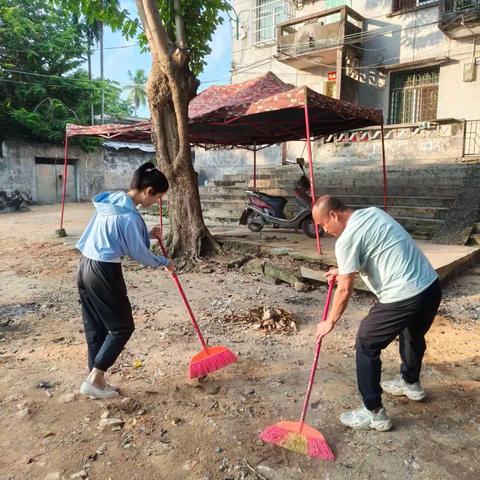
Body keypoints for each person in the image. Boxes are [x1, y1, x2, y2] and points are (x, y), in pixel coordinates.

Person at [312, 196, 441, 431]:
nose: (324, 231)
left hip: (403, 296)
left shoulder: (346, 239)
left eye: (322, 225)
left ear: (334, 215)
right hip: (430, 287)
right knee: (412, 333)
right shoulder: (373, 213)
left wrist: (329, 321)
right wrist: (342, 270)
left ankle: (373, 412)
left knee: (366, 342)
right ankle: (410, 383)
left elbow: (345, 288)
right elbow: (379, 248)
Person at [76, 162, 174, 399]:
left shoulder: (112, 201)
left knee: (96, 325)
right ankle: (95, 379)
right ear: (148, 191)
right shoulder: (130, 216)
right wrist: (164, 262)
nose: (156, 202)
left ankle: (96, 381)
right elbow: (139, 254)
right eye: (158, 198)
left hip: (85, 265)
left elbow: (118, 233)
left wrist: (147, 234)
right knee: (122, 327)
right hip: (104, 270)